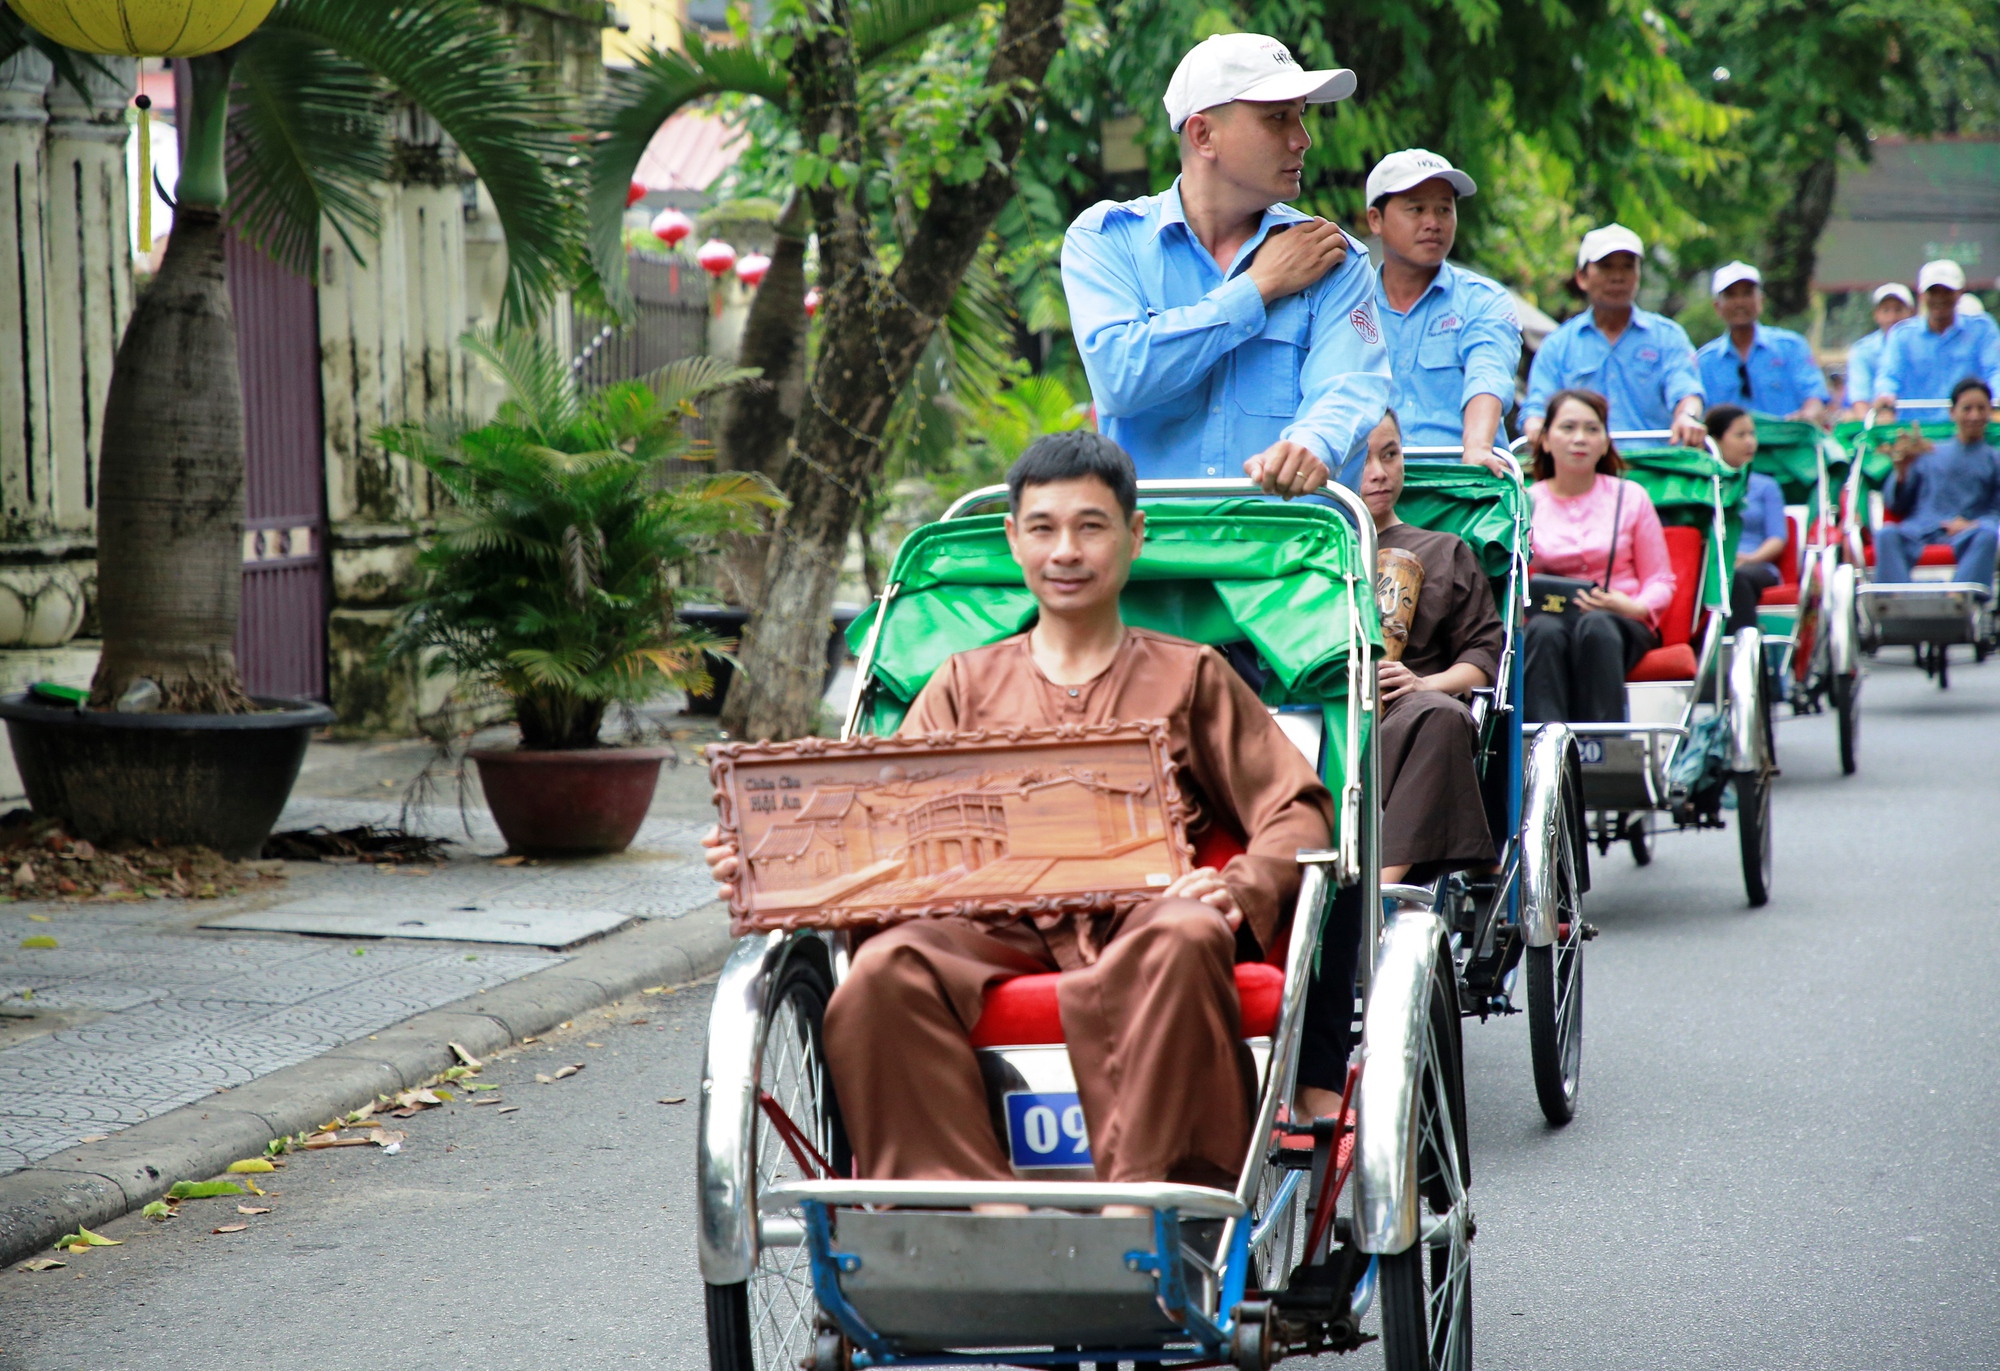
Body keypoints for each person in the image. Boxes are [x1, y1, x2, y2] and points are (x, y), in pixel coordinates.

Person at [703, 431, 1335, 1189]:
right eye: (1042, 528)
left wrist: (1238, 884)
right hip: (989, 925)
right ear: (1013, 539)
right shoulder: (962, 684)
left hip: (1142, 918)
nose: (1065, 550)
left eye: (1090, 526)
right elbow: (880, 829)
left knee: (1186, 931)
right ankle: (957, 1219)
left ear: (1134, 537)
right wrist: (771, 859)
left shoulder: (1191, 674)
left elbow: (1296, 809)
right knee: (881, 972)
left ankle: (1153, 1209)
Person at [1062, 34, 1391, 494]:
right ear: (1202, 135)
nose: (1303, 139)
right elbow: (1121, 378)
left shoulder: (1332, 258)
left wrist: (1313, 445)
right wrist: (1258, 288)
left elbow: (1350, 386)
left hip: (1290, 549)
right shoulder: (1106, 239)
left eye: (1301, 116)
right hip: (1151, 548)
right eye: (1278, 117)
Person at [1363, 149, 1521, 474]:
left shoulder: (1483, 301)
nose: (1433, 223)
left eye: (1444, 210)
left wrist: (1477, 447)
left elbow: (1488, 374)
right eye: (1416, 209)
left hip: (1461, 487)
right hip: (1371, 491)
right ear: (1375, 220)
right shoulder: (1350, 307)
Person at [1522, 389, 1677, 722]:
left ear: (1606, 442)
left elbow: (1660, 579)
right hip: (1551, 617)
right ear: (1546, 440)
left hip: (1621, 620)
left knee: (1596, 626)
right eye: (1568, 428)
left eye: (1592, 429)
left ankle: (1604, 749)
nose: (1580, 439)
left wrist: (1632, 606)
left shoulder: (1631, 497)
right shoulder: (1526, 502)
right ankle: (1544, 751)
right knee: (1542, 632)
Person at [1524, 224, 1706, 447]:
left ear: (1638, 275)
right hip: (1580, 470)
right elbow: (1537, 406)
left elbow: (1687, 391)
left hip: (1654, 470)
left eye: (1628, 267)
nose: (1618, 277)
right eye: (1606, 267)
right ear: (1582, 277)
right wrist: (1536, 426)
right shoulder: (1558, 345)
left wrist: (1687, 417)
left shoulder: (1668, 337)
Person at [1875, 378, 2000, 592]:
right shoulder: (1928, 453)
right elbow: (1897, 504)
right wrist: (1902, 473)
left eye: (1981, 409)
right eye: (1967, 409)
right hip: (1920, 529)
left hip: (1968, 533)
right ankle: (1899, 600)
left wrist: (1973, 525)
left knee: (1988, 535)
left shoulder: (1994, 459)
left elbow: (1996, 510)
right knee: (1887, 534)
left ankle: (1959, 598)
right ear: (1953, 413)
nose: (1975, 416)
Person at [1695, 262, 1830, 423]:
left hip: (1786, 443)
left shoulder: (1791, 347)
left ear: (1761, 300)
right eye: (1731, 295)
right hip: (1728, 447)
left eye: (1747, 294)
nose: (1739, 302)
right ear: (1717, 306)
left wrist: (1804, 418)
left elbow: (1815, 399)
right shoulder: (1705, 361)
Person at [1875, 260, 2000, 411]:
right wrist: (1886, 395)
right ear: (1922, 295)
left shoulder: (1982, 328)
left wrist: (1996, 398)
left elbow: (1994, 370)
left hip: (1971, 427)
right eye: (1933, 291)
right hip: (1917, 428)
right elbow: (1890, 375)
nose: (1940, 297)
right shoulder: (1902, 335)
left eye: (1947, 291)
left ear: (1960, 293)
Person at [1708, 404, 1789, 632]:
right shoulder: (1702, 486)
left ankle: (1743, 654)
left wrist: (1749, 558)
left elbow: (1777, 538)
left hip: (1756, 566)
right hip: (1715, 565)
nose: (1750, 442)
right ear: (1715, 440)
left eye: (1752, 434)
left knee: (1737, 579)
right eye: (1740, 435)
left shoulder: (1766, 486)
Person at [1841, 283, 1916, 420]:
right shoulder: (1863, 351)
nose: (1892, 317)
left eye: (1898, 310)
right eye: (1886, 311)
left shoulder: (1921, 345)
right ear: (1876, 315)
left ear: (1911, 312)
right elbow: (1860, 400)